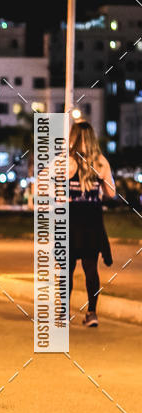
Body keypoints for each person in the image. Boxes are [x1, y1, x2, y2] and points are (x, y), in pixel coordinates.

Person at [68, 121, 115, 327]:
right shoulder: (102, 162)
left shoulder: (67, 162)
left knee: (66, 268)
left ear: (73, 137)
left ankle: (62, 314)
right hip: (92, 220)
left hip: (70, 218)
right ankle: (92, 313)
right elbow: (111, 193)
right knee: (90, 268)